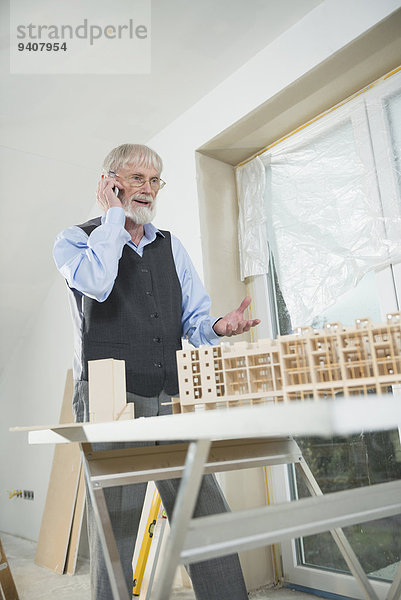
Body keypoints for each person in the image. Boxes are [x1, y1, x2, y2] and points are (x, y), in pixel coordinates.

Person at [53, 143, 260, 600]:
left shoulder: (171, 247)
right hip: (111, 398)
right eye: (136, 179)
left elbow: (195, 321)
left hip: (170, 390)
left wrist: (220, 327)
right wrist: (111, 218)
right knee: (117, 525)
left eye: (155, 181)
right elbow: (98, 284)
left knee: (203, 510)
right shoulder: (74, 239)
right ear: (111, 181)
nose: (147, 190)